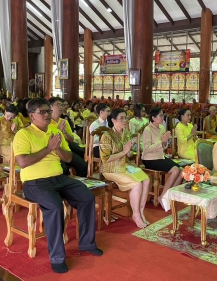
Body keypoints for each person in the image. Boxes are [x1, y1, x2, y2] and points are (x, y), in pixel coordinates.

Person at [14, 98, 102, 273]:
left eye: (48, 111)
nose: (47, 115)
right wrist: (47, 149)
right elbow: (22, 162)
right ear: (32, 116)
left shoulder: (55, 131)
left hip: (59, 177)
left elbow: (68, 158)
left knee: (86, 197)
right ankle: (57, 257)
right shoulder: (24, 134)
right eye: (42, 112)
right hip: (34, 182)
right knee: (55, 207)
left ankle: (86, 243)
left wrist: (56, 148)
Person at [100, 109, 150, 228]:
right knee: (137, 184)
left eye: (125, 117)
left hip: (126, 165)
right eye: (121, 118)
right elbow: (105, 159)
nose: (125, 120)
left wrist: (128, 153)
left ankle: (141, 211)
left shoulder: (126, 133)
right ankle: (136, 214)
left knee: (147, 180)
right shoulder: (106, 135)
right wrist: (123, 152)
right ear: (113, 120)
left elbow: (129, 154)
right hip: (110, 168)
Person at [142, 107, 183, 208]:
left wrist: (165, 142)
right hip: (149, 159)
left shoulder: (162, 128)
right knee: (174, 170)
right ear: (153, 118)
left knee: (182, 171)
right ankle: (162, 197)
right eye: (160, 115)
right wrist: (161, 141)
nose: (162, 117)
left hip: (160, 156)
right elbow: (146, 149)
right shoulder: (147, 129)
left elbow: (163, 147)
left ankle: (169, 196)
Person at [49, 97, 88, 177]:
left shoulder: (64, 121)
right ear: (50, 107)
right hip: (53, 151)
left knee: (83, 166)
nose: (61, 107)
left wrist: (64, 132)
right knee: (63, 170)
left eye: (62, 105)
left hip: (66, 149)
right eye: (58, 105)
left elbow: (71, 140)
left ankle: (79, 185)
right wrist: (59, 130)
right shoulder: (46, 122)